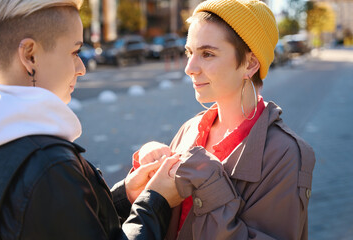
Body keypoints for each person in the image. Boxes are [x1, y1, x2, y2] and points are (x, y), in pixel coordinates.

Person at [0, 0, 183, 239]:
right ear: (30, 55)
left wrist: (125, 195)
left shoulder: (9, 136)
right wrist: (156, 201)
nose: (81, 68)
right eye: (74, 52)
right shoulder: (49, 165)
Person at [133, 0, 316, 239]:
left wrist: (211, 184)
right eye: (190, 52)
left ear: (250, 63)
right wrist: (148, 169)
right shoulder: (189, 129)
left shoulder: (285, 155)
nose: (189, 67)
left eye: (207, 54)